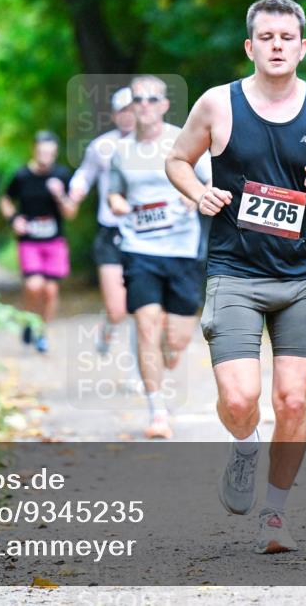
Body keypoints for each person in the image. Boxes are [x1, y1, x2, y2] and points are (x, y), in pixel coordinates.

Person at [165, 0, 306, 553]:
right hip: (235, 272)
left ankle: (276, 514)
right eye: (267, 37)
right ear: (250, 46)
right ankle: (243, 446)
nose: (278, 45)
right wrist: (199, 193)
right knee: (241, 400)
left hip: (302, 276)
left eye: (287, 37)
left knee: (292, 401)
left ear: (303, 47)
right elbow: (176, 160)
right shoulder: (218, 105)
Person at [109, 75, 212, 440]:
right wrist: (119, 205)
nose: (146, 105)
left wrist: (194, 195)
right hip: (140, 250)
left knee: (177, 341)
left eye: (153, 99)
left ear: (165, 105)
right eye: (139, 100)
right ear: (131, 107)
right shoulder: (120, 151)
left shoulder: (182, 141)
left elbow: (212, 182)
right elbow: (113, 194)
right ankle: (157, 411)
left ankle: (166, 361)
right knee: (146, 325)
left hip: (182, 251)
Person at [69, 87, 137, 354]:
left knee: (144, 308)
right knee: (118, 310)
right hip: (110, 231)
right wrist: (76, 191)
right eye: (122, 110)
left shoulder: (158, 145)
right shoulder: (101, 146)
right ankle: (108, 324)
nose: (128, 116)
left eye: (132, 109)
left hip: (146, 232)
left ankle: (140, 372)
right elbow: (84, 175)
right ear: (114, 114)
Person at [0, 131, 77, 354]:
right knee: (34, 286)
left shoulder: (61, 175)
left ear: (55, 154)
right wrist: (14, 219)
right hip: (29, 240)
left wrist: (60, 195)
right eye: (43, 152)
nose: (46, 157)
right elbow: (5, 199)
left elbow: (71, 212)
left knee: (50, 290)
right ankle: (29, 319)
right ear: (35, 150)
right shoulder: (22, 175)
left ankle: (42, 332)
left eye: (51, 153)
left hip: (54, 240)